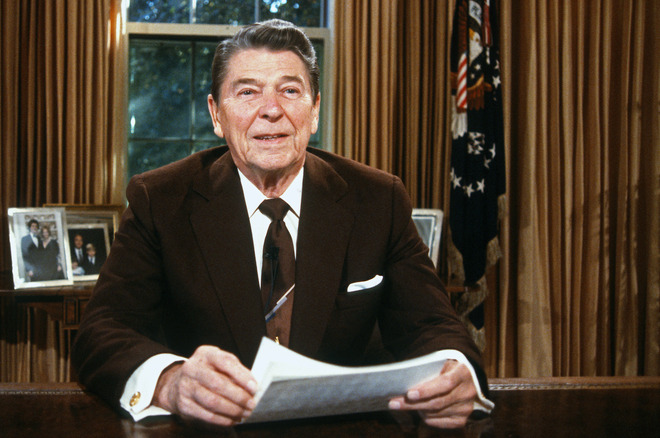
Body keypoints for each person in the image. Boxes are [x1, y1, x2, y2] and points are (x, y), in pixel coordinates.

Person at [72, 19, 491, 429]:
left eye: (290, 91)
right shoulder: (159, 199)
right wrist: (171, 382)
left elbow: (434, 326)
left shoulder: (378, 199)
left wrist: (457, 373)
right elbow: (102, 332)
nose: (271, 110)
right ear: (216, 115)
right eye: (248, 91)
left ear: (314, 111)